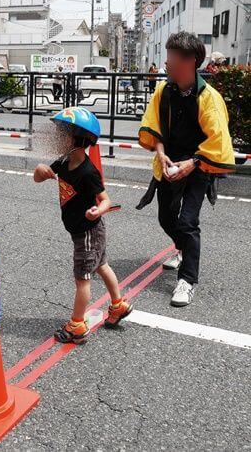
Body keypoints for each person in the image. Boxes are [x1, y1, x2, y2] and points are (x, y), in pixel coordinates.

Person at [138, 32, 235, 307]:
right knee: (166, 218)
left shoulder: (209, 97)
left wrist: (192, 163)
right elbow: (154, 127)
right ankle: (182, 249)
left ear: (190, 60)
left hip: (199, 163)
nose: (166, 62)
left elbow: (218, 140)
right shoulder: (163, 90)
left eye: (171, 57)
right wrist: (161, 153)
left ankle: (187, 280)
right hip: (169, 161)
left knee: (187, 222)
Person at [33, 107, 133, 344]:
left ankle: (77, 325)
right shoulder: (64, 161)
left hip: (88, 231)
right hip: (84, 230)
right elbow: (38, 178)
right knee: (102, 266)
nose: (57, 138)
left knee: (82, 278)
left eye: (63, 134)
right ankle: (118, 305)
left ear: (77, 139)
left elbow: (106, 200)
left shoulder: (88, 172)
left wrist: (98, 210)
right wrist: (40, 171)